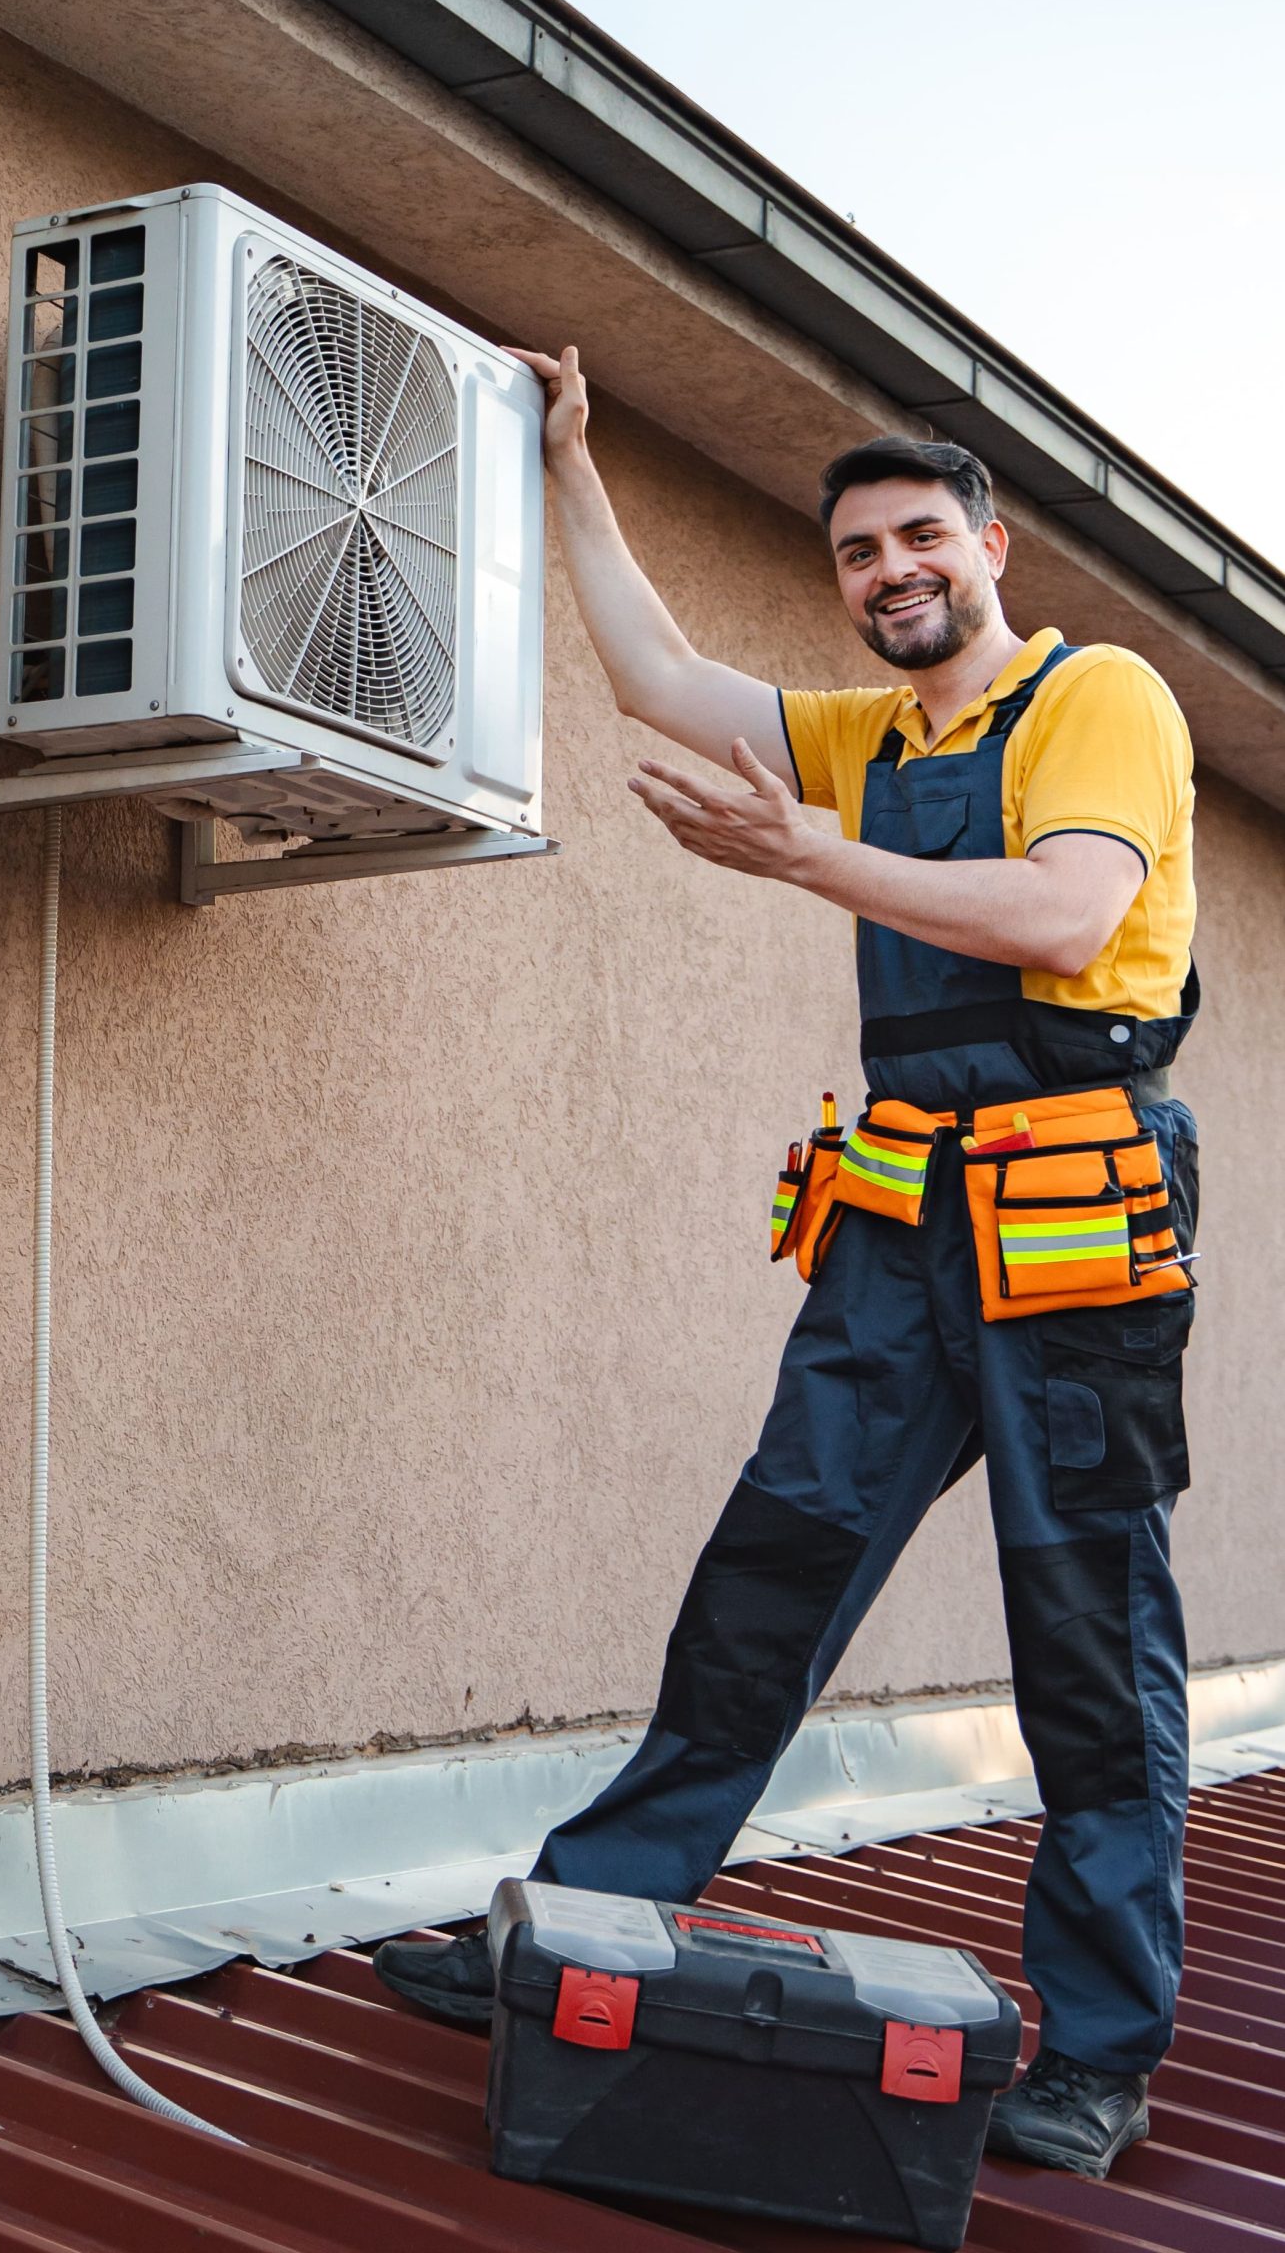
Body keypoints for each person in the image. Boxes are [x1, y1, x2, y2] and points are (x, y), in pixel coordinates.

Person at [375, 347, 1200, 2183]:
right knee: (767, 1572)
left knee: (1083, 1636)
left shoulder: (1099, 699)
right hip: (905, 1221)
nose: (890, 570)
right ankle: (578, 1924)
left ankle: (1104, 2047)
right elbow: (661, 679)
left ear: (990, 546)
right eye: (855, 552)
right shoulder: (868, 733)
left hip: (1076, 1208)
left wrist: (812, 862)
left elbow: (1068, 914)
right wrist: (570, 466)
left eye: (920, 537)